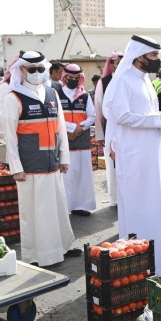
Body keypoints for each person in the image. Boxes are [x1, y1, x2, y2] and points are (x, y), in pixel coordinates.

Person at [102, 35, 161, 278]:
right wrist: (155, 119)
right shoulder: (123, 80)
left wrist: (160, 121)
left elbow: (147, 114)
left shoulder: (144, 80)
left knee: (154, 203)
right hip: (133, 155)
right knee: (138, 206)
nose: (157, 60)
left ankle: (159, 260)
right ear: (140, 56)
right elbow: (122, 116)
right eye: (153, 56)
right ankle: (137, 262)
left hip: (150, 152)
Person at [1, 51, 77, 266]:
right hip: (30, 166)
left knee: (58, 207)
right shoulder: (13, 97)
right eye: (31, 69)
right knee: (36, 213)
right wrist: (15, 167)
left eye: (40, 69)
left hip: (52, 163)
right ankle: (38, 255)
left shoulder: (52, 94)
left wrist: (64, 158)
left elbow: (61, 128)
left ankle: (62, 247)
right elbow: (9, 136)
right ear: (21, 70)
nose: (36, 73)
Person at [57, 63, 96, 216]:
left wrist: (79, 128)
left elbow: (92, 115)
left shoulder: (84, 96)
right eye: (70, 77)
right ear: (64, 77)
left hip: (81, 140)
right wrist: (71, 128)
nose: (73, 80)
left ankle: (81, 205)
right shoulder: (56, 94)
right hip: (64, 139)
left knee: (82, 174)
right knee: (66, 175)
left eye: (76, 78)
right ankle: (65, 208)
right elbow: (55, 116)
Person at [94, 51, 123, 207]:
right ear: (111, 64)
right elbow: (98, 108)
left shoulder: (129, 80)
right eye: (116, 62)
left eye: (121, 62)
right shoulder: (104, 82)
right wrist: (99, 135)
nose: (118, 65)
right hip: (110, 130)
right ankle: (116, 200)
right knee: (112, 166)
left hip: (128, 129)